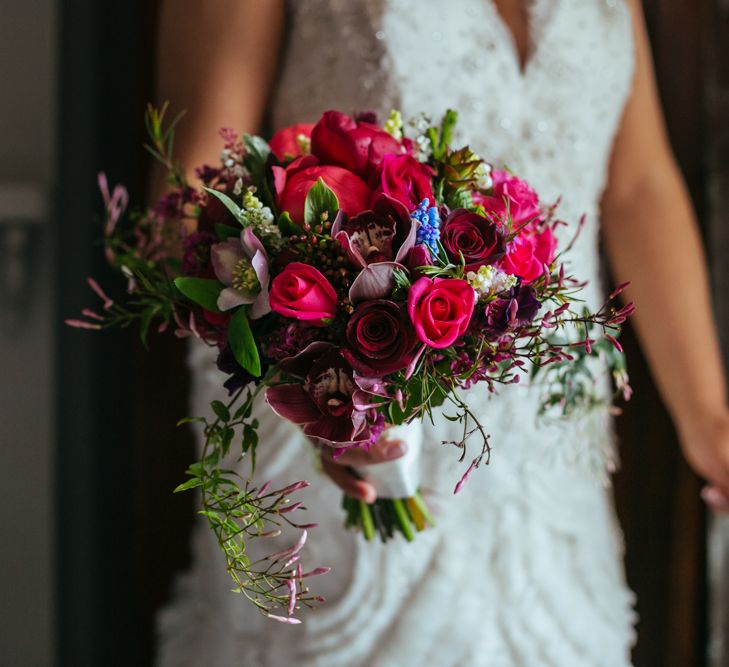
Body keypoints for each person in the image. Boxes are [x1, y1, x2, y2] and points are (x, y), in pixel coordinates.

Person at [155, 1, 729, 665]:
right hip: (343, 427)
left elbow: (634, 186)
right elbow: (187, 208)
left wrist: (709, 418)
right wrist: (318, 388)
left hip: (548, 459)